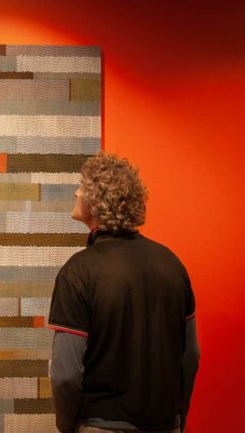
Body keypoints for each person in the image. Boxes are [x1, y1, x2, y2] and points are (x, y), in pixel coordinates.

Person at [47, 151, 200, 433]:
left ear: (95, 202)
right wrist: (179, 419)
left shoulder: (78, 272)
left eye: (82, 186)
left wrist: (68, 427)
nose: (76, 192)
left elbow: (65, 374)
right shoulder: (172, 264)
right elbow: (190, 357)